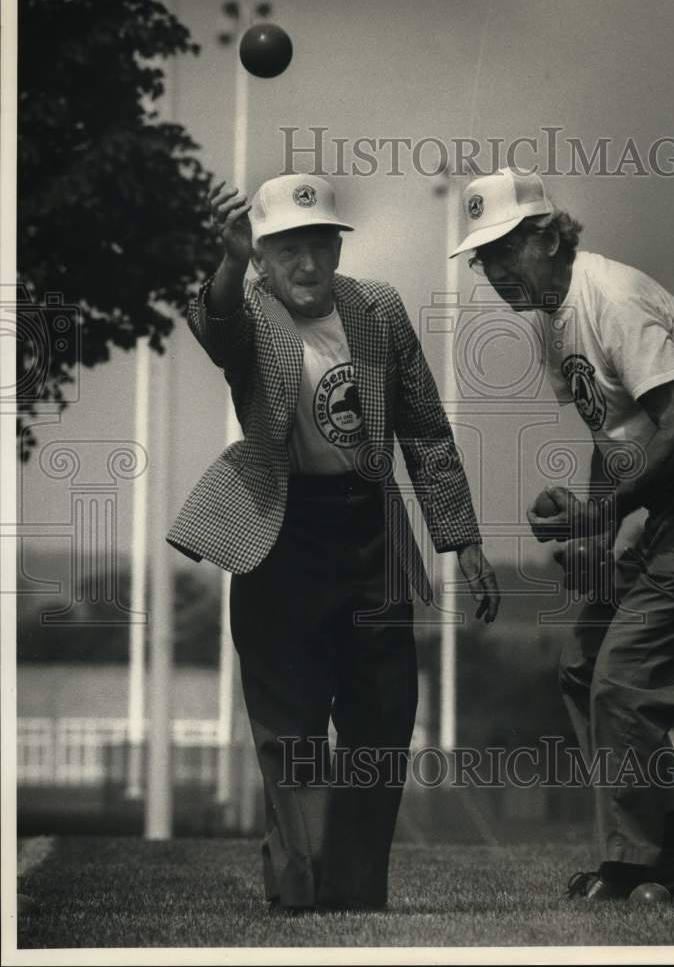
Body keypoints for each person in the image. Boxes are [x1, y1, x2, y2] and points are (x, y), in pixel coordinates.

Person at [167, 172, 500, 913]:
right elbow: (214, 331)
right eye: (287, 250)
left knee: (383, 717)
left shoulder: (377, 309)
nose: (308, 266)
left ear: (338, 248)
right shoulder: (249, 313)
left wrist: (463, 540)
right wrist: (226, 265)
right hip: (279, 531)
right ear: (263, 257)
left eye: (320, 246)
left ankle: (353, 894)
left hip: (368, 532)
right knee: (289, 728)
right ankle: (298, 885)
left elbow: (425, 428)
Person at [449, 167, 674, 899]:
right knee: (586, 667)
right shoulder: (549, 324)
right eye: (482, 258)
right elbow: (612, 436)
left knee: (622, 677)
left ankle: (630, 865)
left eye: (506, 248)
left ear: (551, 236)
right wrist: (592, 537)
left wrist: (605, 514)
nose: (494, 270)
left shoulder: (610, 297)